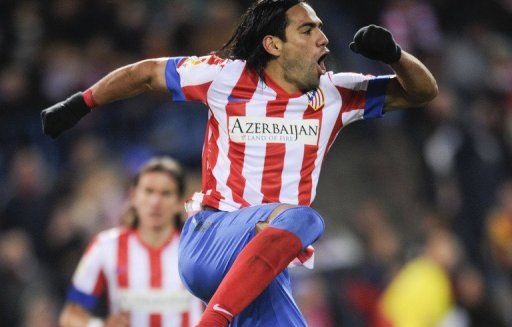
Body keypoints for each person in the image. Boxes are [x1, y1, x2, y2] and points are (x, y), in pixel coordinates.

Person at [42, 1, 438, 325]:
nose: (324, 38)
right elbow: (146, 73)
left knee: (295, 228)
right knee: (306, 219)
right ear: (272, 44)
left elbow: (422, 92)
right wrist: (80, 103)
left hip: (259, 270)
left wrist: (394, 54)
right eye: (307, 30)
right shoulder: (226, 76)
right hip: (211, 237)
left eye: (320, 27)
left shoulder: (336, 94)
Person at [59, 157, 202, 327]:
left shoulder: (198, 248)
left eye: (166, 194)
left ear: (179, 203)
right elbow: (70, 316)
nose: (155, 202)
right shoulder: (105, 246)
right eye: (148, 192)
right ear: (133, 196)